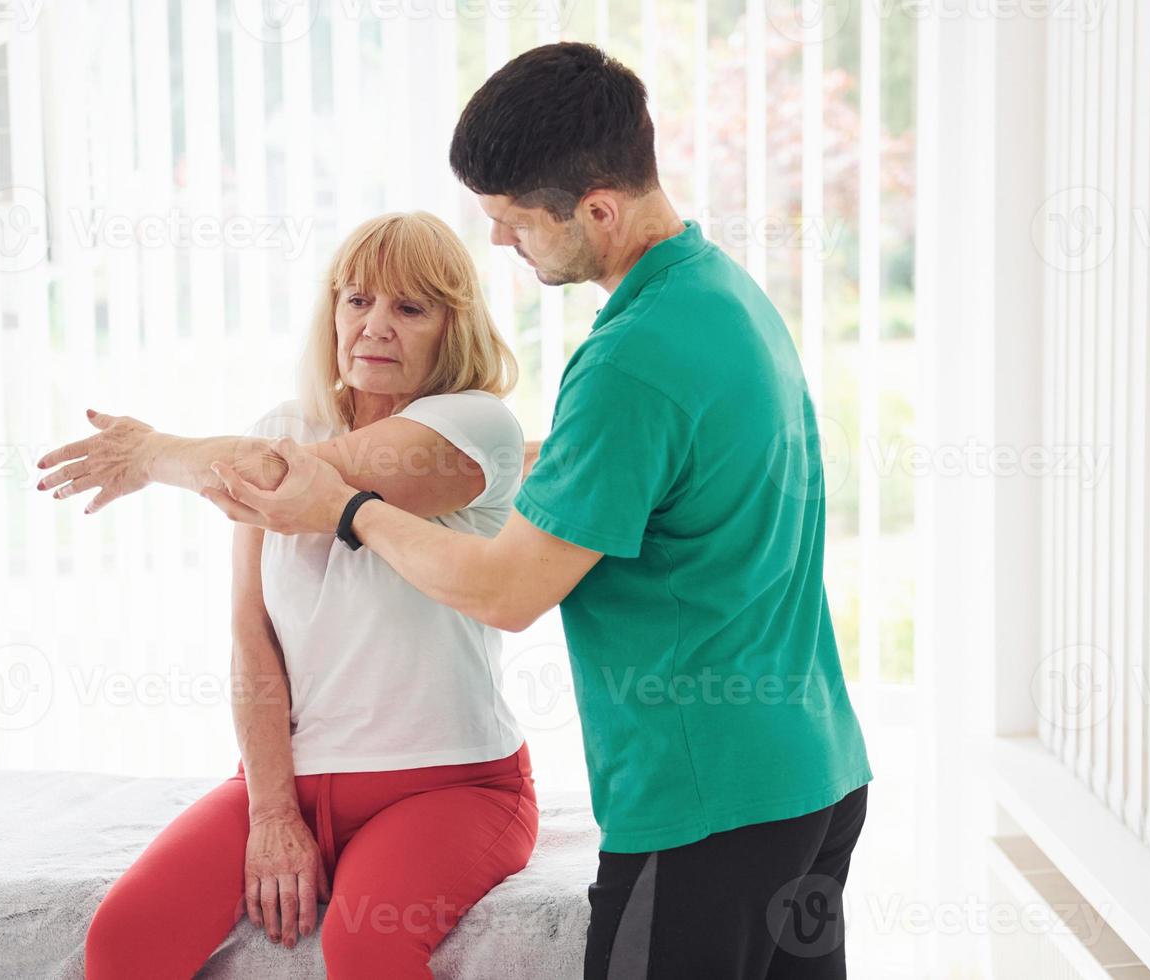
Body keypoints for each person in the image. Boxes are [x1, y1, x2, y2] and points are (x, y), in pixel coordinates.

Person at [201, 43, 874, 979]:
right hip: (813, 774)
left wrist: (350, 508)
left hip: (704, 801)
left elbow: (508, 590)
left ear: (596, 208)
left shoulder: (628, 361)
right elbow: (666, 476)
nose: (500, 245)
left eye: (514, 222)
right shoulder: (723, 296)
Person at [37, 212, 539, 979]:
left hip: (453, 785)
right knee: (126, 939)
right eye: (357, 300)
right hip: (292, 781)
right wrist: (271, 812)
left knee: (367, 944)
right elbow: (251, 634)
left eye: (410, 308)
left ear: (452, 327)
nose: (374, 326)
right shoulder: (281, 426)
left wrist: (151, 453)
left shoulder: (474, 426)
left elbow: (282, 478)